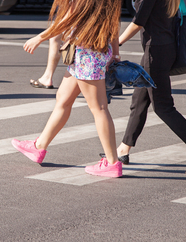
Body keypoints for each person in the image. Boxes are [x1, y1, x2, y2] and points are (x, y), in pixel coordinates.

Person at [12, 0, 123, 177]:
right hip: (92, 52)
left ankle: (112, 163)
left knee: (99, 108)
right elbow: (113, 24)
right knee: (63, 99)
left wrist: (39, 38)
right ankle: (38, 147)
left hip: (86, 55)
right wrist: (115, 53)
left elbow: (66, 21)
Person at [115, 0, 186, 175]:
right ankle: (124, 149)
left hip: (155, 51)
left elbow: (138, 22)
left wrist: (116, 43)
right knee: (139, 100)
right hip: (163, 47)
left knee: (163, 107)